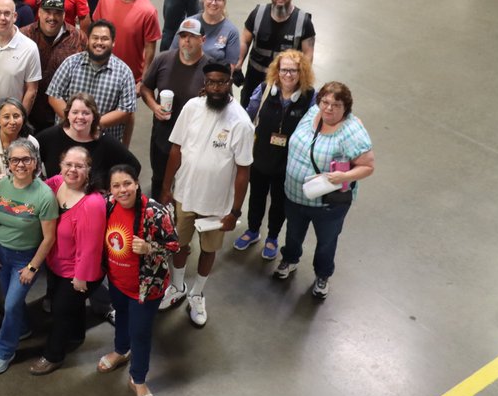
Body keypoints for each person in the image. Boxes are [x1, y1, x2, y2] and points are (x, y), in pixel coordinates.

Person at [158, 62, 253, 327]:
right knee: (180, 245)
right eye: (211, 82)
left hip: (216, 204)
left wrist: (234, 211)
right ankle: (177, 287)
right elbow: (176, 149)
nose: (216, 88)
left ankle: (197, 293)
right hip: (184, 194)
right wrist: (167, 188)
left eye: (222, 82)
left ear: (230, 82)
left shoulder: (241, 122)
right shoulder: (191, 108)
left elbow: (244, 171)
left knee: (209, 250)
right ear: (205, 82)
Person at [274, 81, 374, 299]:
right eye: (325, 102)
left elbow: (367, 166)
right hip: (296, 196)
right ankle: (290, 259)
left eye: (336, 105)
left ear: (346, 108)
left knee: (326, 242)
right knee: (293, 234)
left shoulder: (352, 132)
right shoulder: (312, 113)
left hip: (328, 205)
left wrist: (344, 176)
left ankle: (322, 275)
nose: (328, 108)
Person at [99, 164, 180, 396]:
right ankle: (121, 351)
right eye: (116, 185)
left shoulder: (155, 212)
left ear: (136, 183)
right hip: (116, 280)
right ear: (110, 189)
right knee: (121, 316)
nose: (122, 190)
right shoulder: (107, 205)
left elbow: (175, 245)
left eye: (127, 184)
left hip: (146, 287)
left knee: (141, 332)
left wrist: (149, 248)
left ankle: (138, 378)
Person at [30, 145, 105, 375]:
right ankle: (76, 335)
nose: (72, 170)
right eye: (68, 164)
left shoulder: (92, 203)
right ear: (60, 166)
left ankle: (53, 355)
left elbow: (90, 247)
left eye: (79, 166)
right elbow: (34, 190)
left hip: (78, 271)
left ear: (89, 170)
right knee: (73, 307)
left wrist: (80, 277)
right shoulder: (55, 183)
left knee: (61, 310)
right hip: (56, 263)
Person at [235, 50, 316, 260]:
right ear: (277, 71)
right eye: (284, 70)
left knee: (279, 202)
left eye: (294, 71)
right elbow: (247, 117)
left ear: (302, 72)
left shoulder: (309, 98)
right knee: (257, 197)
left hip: (288, 163)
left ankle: (272, 236)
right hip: (260, 157)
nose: (288, 75)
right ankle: (252, 230)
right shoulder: (264, 90)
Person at [0, 139, 57, 375]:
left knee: (11, 304)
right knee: (12, 302)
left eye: (26, 159)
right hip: (1, 253)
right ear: (8, 163)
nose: (20, 164)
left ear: (35, 162)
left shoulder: (44, 195)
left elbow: (48, 238)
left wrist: (33, 268)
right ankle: (24, 327)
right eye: (15, 159)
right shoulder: (1, 185)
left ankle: (4, 350)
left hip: (25, 259)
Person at [140, 17, 208, 199]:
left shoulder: (211, 69)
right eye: (183, 36)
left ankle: (180, 220)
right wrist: (154, 106)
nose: (187, 41)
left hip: (193, 138)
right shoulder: (163, 60)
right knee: (159, 177)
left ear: (203, 39)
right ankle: (156, 215)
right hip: (163, 133)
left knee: (186, 181)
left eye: (192, 36)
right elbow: (146, 87)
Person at [47, 19, 136, 147]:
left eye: (104, 39)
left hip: (103, 143)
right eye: (95, 38)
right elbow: (54, 96)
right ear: (88, 40)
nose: (99, 42)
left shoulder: (124, 72)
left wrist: (92, 125)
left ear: (113, 42)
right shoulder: (71, 63)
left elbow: (126, 110)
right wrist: (74, 122)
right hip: (67, 137)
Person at [237, 0, 316, 103]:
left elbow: (308, 54)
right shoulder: (258, 13)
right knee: (247, 109)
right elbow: (245, 40)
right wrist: (238, 65)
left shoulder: (303, 22)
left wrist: (302, 79)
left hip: (284, 80)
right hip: (254, 77)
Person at [36, 93, 139, 189]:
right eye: (75, 112)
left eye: (86, 113)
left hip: (93, 203)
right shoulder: (49, 137)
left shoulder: (106, 141)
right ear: (68, 114)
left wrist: (113, 189)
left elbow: (133, 166)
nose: (80, 117)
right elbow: (28, 159)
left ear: (94, 117)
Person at [21, 0, 86, 132]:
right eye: (47, 12)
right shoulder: (24, 36)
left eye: (57, 13)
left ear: (64, 15)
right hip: (28, 112)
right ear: (39, 12)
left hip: (63, 115)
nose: (52, 17)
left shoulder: (78, 38)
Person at [93, 0, 161, 90]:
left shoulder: (148, 11)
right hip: (100, 68)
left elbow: (150, 49)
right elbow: (95, 31)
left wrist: (143, 81)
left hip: (129, 76)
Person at [193, 0, 240, 69]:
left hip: (214, 80)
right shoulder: (190, 23)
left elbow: (230, 68)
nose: (213, 3)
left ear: (224, 3)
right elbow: (174, 53)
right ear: (203, 0)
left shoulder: (231, 31)